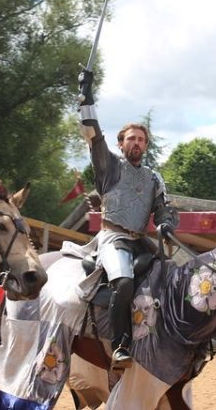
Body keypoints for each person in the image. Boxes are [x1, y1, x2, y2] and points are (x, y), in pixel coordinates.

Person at [77, 69, 179, 370]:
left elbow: (163, 208)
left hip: (140, 240)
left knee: (170, 275)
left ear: (145, 146)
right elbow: (92, 133)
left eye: (141, 140)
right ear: (121, 144)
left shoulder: (153, 177)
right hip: (113, 238)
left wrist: (166, 223)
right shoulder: (108, 166)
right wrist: (86, 96)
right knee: (123, 282)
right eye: (131, 139)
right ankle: (121, 346)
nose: (136, 143)